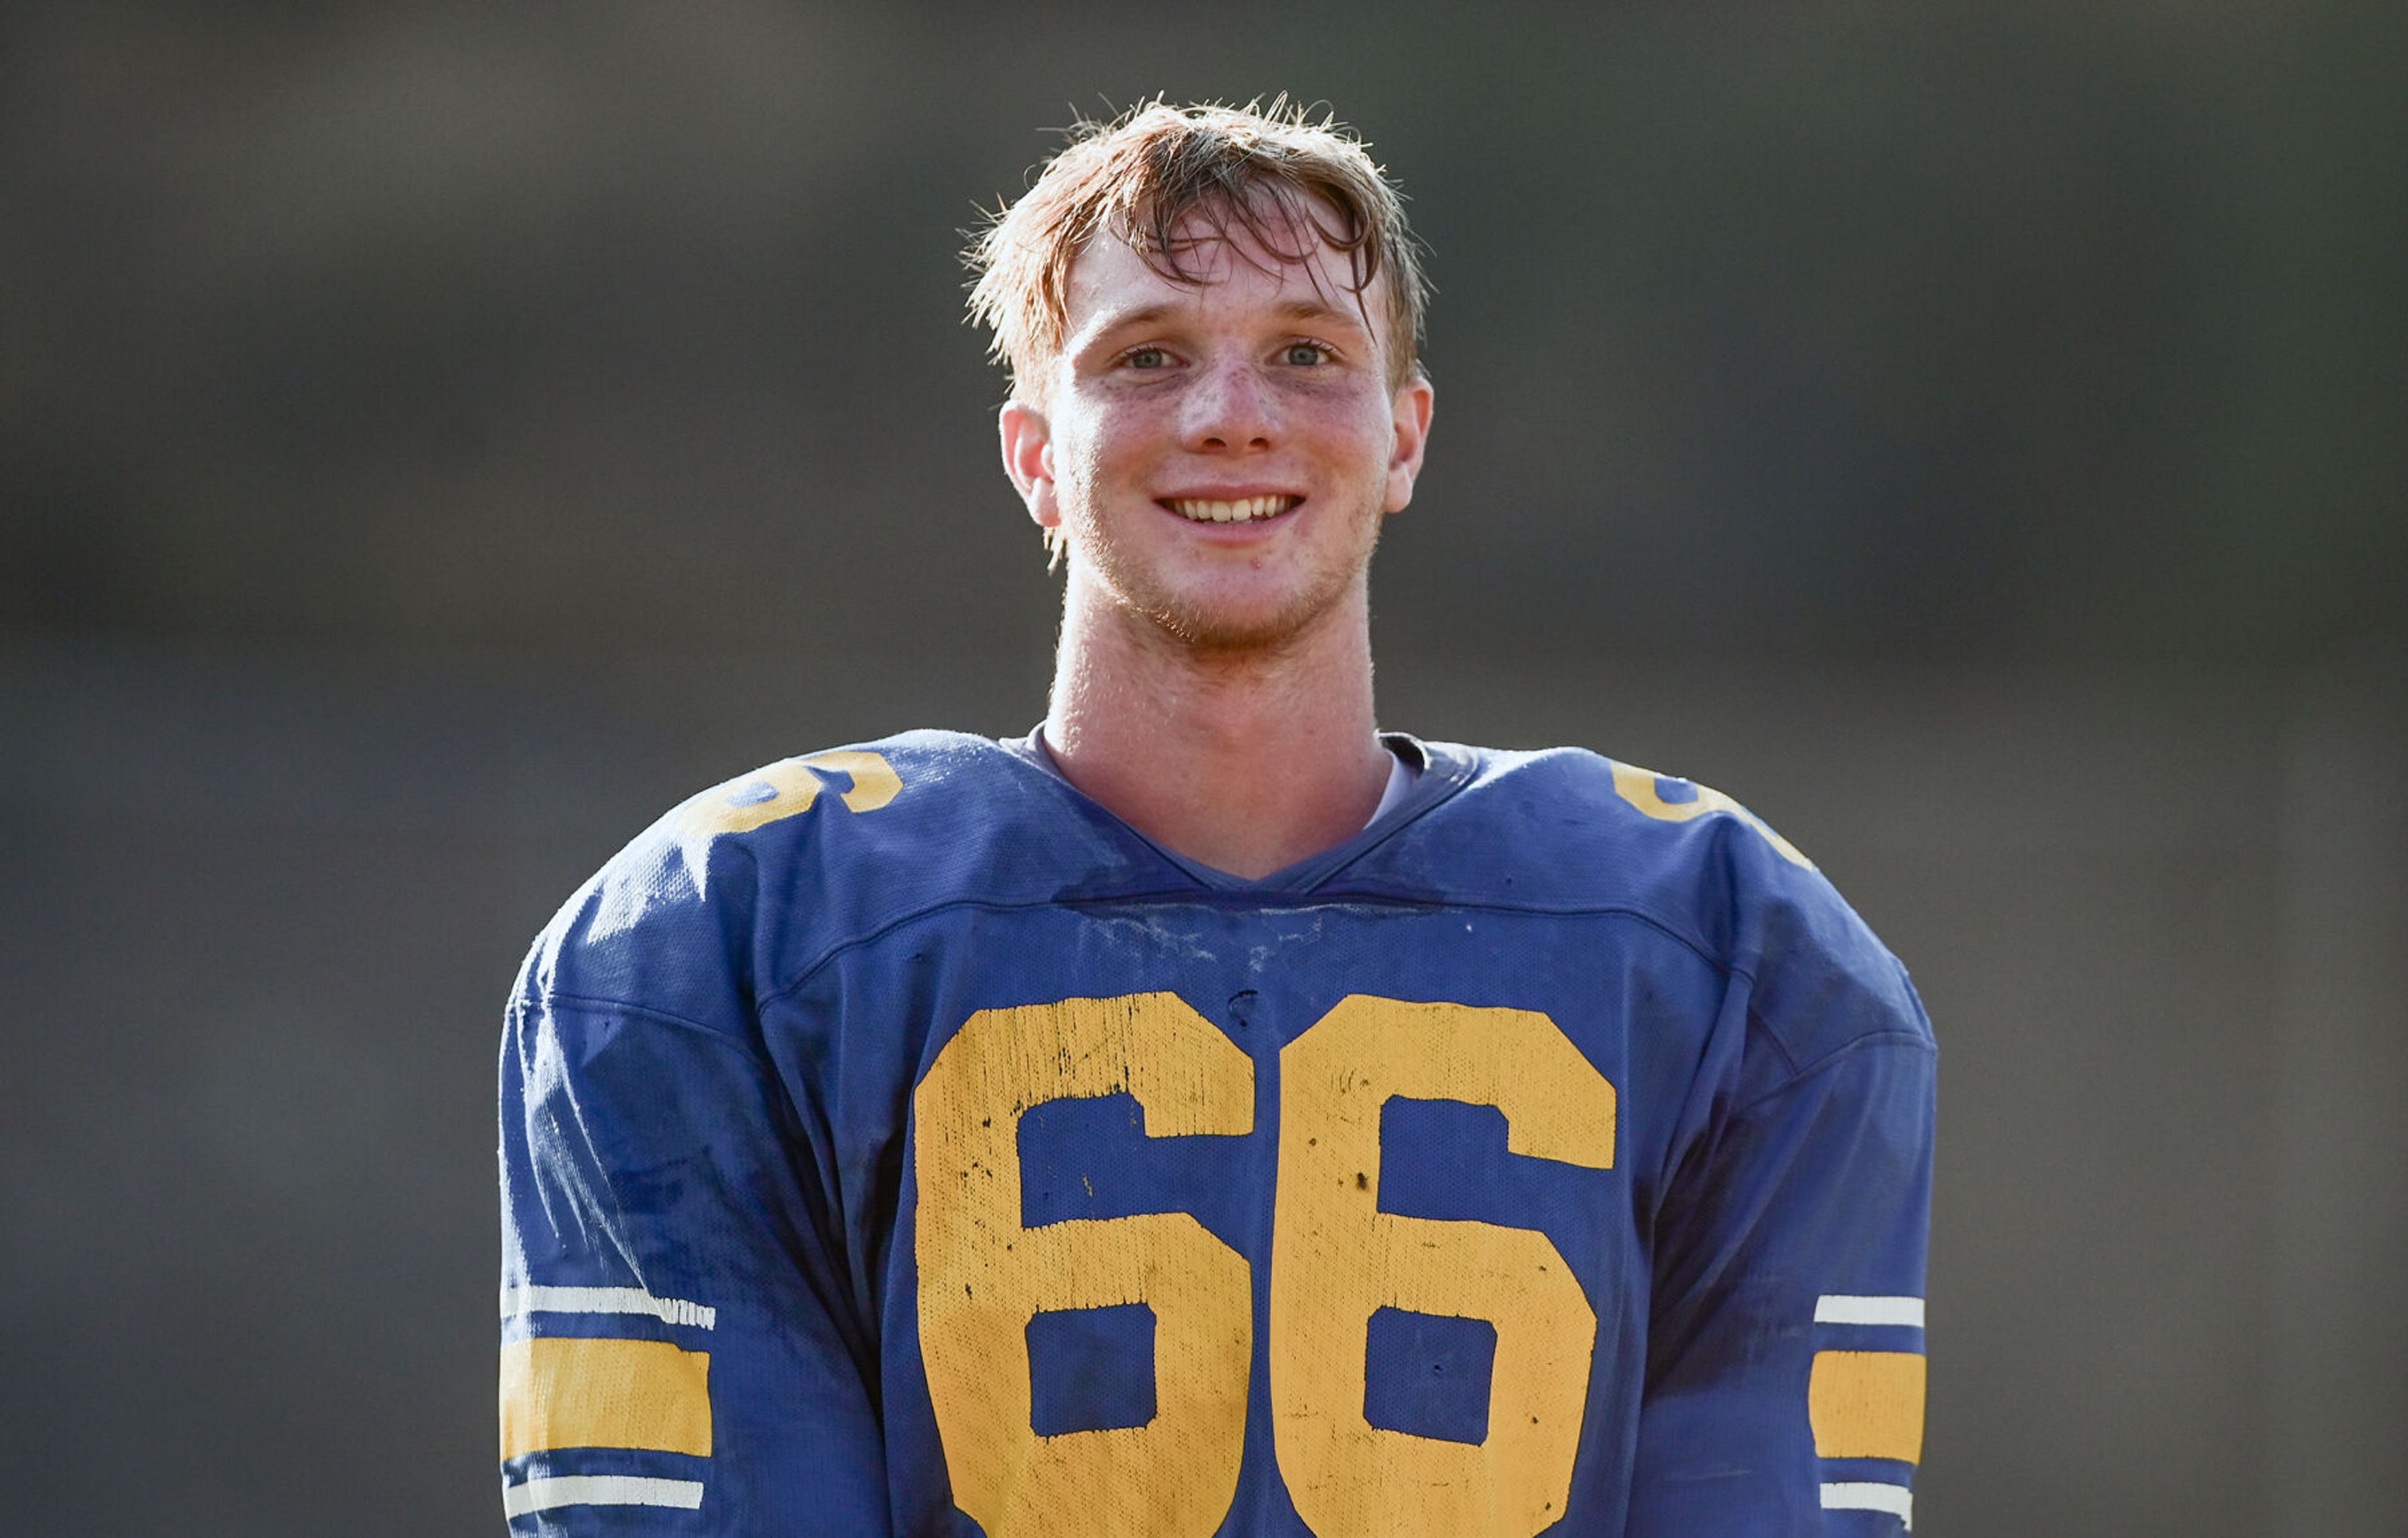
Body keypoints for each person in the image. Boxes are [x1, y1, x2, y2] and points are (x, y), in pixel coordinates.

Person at [497, 100, 1934, 1536]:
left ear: (1404, 434)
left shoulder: (1731, 950)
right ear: (1035, 454)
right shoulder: (727, 941)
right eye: (1148, 355)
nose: (1230, 410)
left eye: (1308, 352)